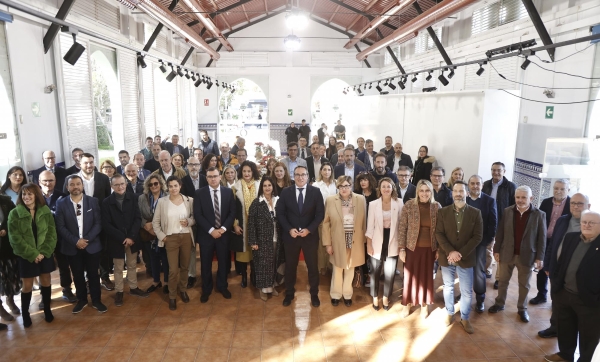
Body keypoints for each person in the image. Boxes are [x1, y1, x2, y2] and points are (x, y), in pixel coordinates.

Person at [544, 210, 600, 362]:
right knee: (565, 328)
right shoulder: (571, 238)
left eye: (591, 223)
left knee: (588, 334)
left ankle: (585, 359)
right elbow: (561, 264)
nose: (586, 225)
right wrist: (557, 287)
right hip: (565, 293)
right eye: (584, 222)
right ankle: (565, 355)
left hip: (589, 301)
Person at [489, 185, 546, 323]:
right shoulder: (508, 211)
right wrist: (496, 250)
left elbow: (542, 238)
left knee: (524, 285)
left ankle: (522, 309)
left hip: (527, 255)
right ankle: (499, 303)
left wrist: (540, 257)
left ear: (531, 198)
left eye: (524, 197)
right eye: (518, 197)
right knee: (502, 281)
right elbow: (500, 232)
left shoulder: (539, 214)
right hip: (506, 253)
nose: (520, 200)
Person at [539, 192, 588, 339]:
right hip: (557, 269)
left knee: (574, 306)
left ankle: (572, 333)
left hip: (577, 274)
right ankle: (555, 327)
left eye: (580, 203)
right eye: (573, 203)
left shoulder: (590, 223)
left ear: (588, 206)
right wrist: (547, 264)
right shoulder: (562, 220)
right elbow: (553, 244)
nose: (575, 206)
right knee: (557, 301)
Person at [436, 180, 483, 334]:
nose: (458, 194)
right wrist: (451, 252)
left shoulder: (476, 213)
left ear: (467, 193)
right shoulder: (442, 212)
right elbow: (439, 234)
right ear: (452, 193)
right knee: (448, 287)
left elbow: (477, 237)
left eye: (461, 191)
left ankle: (465, 317)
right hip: (447, 256)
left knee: (467, 291)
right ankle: (449, 313)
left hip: (466, 257)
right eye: (455, 191)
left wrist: (459, 253)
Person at [56, 175, 107, 314]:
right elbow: (60, 227)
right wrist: (76, 241)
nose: (75, 187)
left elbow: (98, 223)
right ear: (67, 187)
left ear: (82, 186)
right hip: (72, 247)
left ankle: (96, 300)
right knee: (77, 275)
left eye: (78, 184)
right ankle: (82, 300)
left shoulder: (93, 201)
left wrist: (86, 240)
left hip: (92, 246)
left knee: (93, 274)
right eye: (72, 184)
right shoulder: (61, 203)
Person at [8, 184, 57, 327]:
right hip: (26, 255)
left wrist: (44, 252)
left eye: (30, 194)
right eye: (24, 194)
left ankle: (47, 310)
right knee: (27, 286)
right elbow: (15, 239)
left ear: (36, 195)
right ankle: (25, 314)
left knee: (46, 281)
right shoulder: (14, 214)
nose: (26, 197)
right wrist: (33, 254)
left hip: (45, 253)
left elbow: (51, 234)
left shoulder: (45, 211)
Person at [276, 165, 325, 308]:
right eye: (297, 174)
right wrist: (289, 229)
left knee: (312, 266)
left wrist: (309, 229)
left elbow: (320, 214)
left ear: (307, 176)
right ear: (293, 176)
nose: (300, 177)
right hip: (291, 236)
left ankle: (314, 293)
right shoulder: (286, 192)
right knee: (290, 267)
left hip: (309, 236)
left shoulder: (315, 192)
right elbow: (280, 214)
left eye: (303, 174)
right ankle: (289, 293)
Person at [102, 174, 149, 306]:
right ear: (112, 186)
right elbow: (106, 224)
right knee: (118, 267)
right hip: (116, 240)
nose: (120, 187)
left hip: (132, 239)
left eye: (122, 184)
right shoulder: (106, 202)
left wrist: (131, 236)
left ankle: (133, 288)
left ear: (126, 184)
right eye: (116, 184)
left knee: (132, 264)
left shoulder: (134, 198)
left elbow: (137, 218)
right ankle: (119, 291)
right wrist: (123, 238)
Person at [322, 175, 366, 307]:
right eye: (341, 186)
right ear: (338, 187)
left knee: (350, 268)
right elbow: (326, 224)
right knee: (337, 268)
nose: (344, 188)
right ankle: (335, 294)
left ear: (351, 186)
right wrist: (328, 244)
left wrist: (363, 240)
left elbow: (364, 221)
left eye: (347, 186)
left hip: (354, 239)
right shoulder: (330, 200)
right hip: (337, 240)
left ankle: (347, 294)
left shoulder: (360, 199)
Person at [398, 179, 440, 317]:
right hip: (412, 247)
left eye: (427, 190)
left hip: (430, 248)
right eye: (421, 190)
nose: (424, 193)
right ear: (417, 192)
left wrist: (439, 249)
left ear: (431, 192)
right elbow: (402, 227)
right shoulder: (409, 205)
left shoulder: (436, 207)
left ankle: (424, 304)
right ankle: (407, 304)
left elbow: (441, 229)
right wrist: (402, 248)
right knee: (410, 277)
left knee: (426, 277)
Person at [152, 176, 195, 310]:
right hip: (170, 238)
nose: (173, 188)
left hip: (186, 236)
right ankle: (172, 296)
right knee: (172, 270)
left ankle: (182, 289)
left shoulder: (189, 200)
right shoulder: (162, 202)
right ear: (167, 187)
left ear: (180, 186)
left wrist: (189, 221)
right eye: (170, 186)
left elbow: (194, 218)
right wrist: (162, 237)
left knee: (185, 266)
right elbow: (155, 222)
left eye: (175, 186)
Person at [194, 167, 236, 303]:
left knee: (223, 262)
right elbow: (198, 215)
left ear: (220, 177)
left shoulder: (228, 192)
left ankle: (222, 286)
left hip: (223, 234)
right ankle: (206, 289)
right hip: (207, 235)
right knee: (205, 263)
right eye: (210, 176)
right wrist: (211, 230)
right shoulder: (199, 193)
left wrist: (223, 229)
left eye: (215, 176)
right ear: (206, 178)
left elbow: (232, 213)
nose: (213, 179)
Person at [73, 153, 112, 290]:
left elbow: (108, 200)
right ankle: (89, 279)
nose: (89, 165)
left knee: (103, 250)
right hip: (80, 223)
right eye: (86, 163)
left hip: (100, 221)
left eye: (91, 162)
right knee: (84, 251)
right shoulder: (73, 179)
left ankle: (105, 277)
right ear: (79, 164)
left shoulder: (103, 178)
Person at [367, 177, 403, 311]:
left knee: (390, 272)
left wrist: (401, 245)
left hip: (393, 240)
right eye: (383, 186)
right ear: (379, 189)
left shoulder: (399, 203)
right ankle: (375, 297)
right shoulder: (373, 204)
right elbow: (370, 226)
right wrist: (369, 245)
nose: (386, 189)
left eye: (389, 186)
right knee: (375, 271)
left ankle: (386, 297)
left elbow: (401, 225)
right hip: (377, 240)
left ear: (393, 188)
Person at [38, 171, 75, 303]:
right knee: (43, 268)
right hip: (42, 240)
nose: (48, 183)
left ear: (55, 181)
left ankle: (67, 289)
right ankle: (44, 295)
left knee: (64, 265)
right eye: (45, 181)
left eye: (51, 180)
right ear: (39, 182)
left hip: (60, 238)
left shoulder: (63, 196)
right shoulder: (34, 197)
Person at [533, 179, 571, 305]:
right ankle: (541, 294)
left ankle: (556, 300)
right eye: (556, 188)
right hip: (545, 241)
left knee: (557, 271)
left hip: (561, 243)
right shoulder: (546, 202)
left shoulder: (571, 204)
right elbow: (538, 220)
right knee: (542, 268)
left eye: (562, 189)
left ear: (568, 190)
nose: (558, 191)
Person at [247, 176, 285, 301]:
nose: (267, 188)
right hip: (262, 240)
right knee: (262, 265)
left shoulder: (278, 201)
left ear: (273, 187)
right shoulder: (256, 203)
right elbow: (251, 224)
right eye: (265, 185)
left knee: (274, 263)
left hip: (276, 239)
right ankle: (263, 289)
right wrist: (253, 242)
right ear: (261, 187)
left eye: (269, 185)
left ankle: (272, 286)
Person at [482, 161, 517, 289]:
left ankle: (499, 278)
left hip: (504, 222)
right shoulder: (485, 184)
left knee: (501, 251)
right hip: (488, 222)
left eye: (499, 170)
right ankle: (486, 270)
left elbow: (514, 206)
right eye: (493, 170)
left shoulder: (511, 187)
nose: (496, 172)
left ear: (504, 172)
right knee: (488, 248)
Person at [465, 175, 497, 312]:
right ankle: (465, 294)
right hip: (464, 243)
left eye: (478, 183)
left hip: (480, 242)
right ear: (468, 184)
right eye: (472, 183)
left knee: (479, 271)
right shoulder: (463, 199)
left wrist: (486, 241)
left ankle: (480, 299)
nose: (475, 186)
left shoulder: (489, 201)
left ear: (482, 185)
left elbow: (493, 223)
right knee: (464, 270)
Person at [231, 161, 261, 288]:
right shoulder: (235, 187)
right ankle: (244, 276)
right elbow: (231, 208)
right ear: (241, 172)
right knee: (243, 253)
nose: (247, 173)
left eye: (249, 171)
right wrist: (235, 225)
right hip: (242, 224)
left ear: (253, 171)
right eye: (244, 171)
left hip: (257, 225)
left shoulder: (260, 185)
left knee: (255, 251)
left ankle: (253, 275)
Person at [139, 175, 169, 295]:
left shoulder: (167, 196)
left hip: (164, 233)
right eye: (150, 184)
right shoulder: (142, 198)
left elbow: (170, 214)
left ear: (161, 184)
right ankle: (156, 282)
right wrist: (145, 225)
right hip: (149, 234)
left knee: (166, 259)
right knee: (153, 259)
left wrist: (156, 226)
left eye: (156, 183)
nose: (153, 186)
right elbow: (138, 214)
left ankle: (166, 282)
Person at [313, 163, 336, 275]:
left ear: (331, 171)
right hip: (321, 216)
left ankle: (331, 265)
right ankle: (322, 266)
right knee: (323, 242)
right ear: (321, 171)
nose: (327, 172)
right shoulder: (316, 185)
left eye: (329, 169)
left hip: (335, 216)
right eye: (324, 170)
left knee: (333, 241)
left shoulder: (336, 184)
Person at [0, 194, 18, 326]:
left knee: (11, 276)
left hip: (7, 247)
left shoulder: (6, 200)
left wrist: (5, 228)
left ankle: (10, 300)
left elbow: (14, 218)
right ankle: (0, 308)